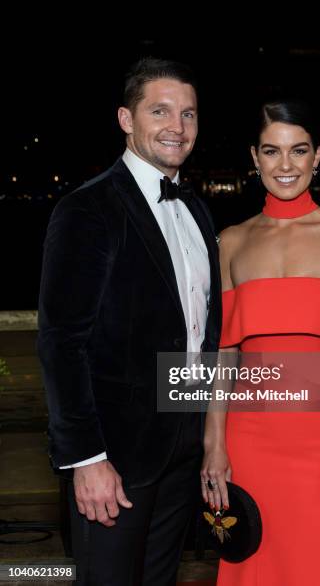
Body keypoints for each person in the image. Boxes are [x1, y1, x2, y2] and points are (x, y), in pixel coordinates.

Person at [38, 56, 221, 585]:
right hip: (114, 459)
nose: (177, 127)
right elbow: (61, 344)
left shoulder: (198, 210)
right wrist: (86, 458)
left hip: (181, 450)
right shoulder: (88, 209)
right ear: (126, 119)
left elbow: (201, 335)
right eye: (160, 111)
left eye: (188, 114)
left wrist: (207, 437)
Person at [201, 99, 320, 585]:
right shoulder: (231, 242)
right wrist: (214, 442)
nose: (285, 165)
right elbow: (223, 353)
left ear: (317, 156)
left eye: (298, 151)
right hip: (251, 444)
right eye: (272, 152)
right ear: (254, 157)